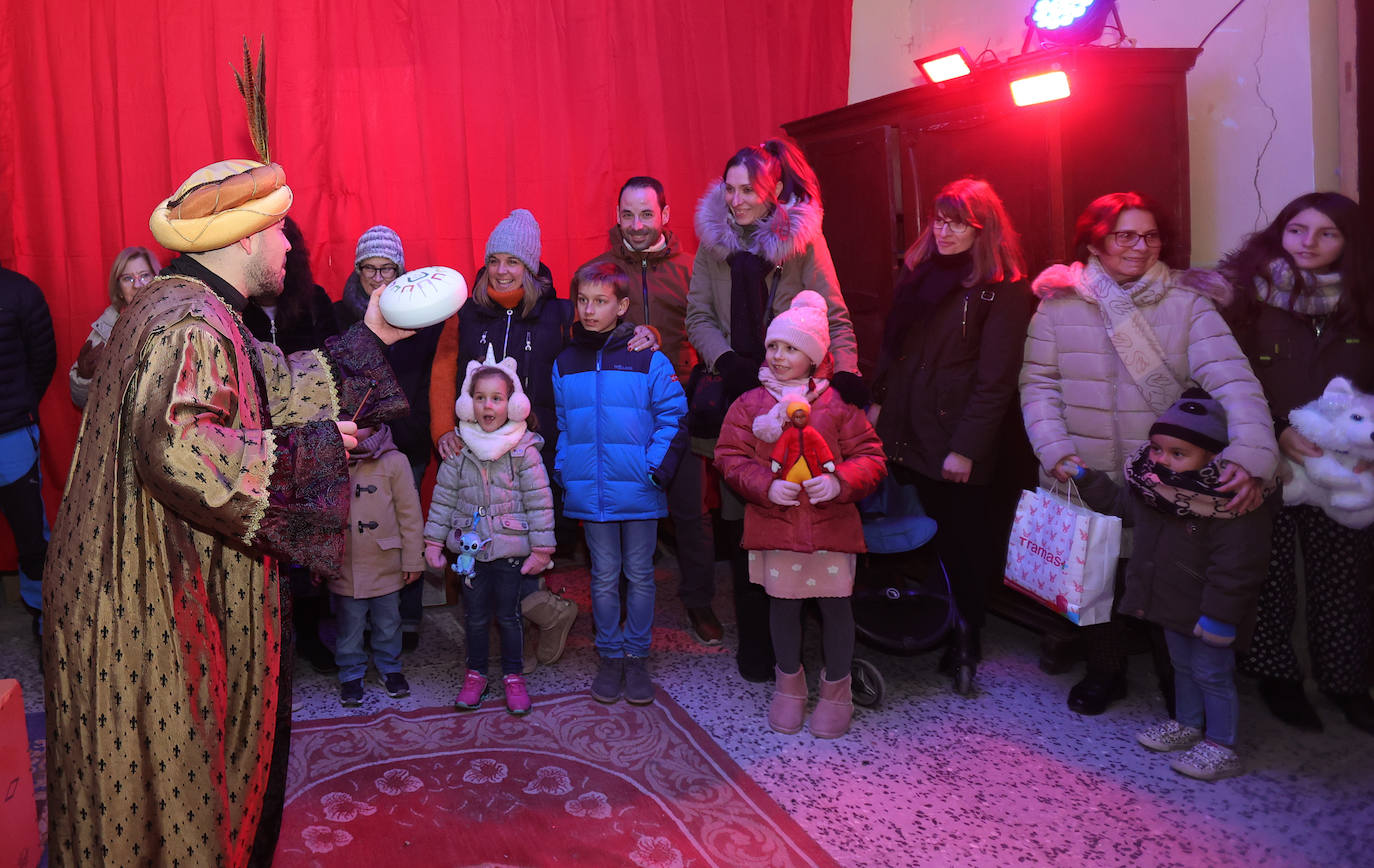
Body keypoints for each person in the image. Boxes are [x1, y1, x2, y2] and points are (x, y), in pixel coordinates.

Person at [41, 147, 412, 866]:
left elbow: (264, 383)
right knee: (160, 795)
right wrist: (314, 452)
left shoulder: (190, 304)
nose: (286, 245)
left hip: (138, 584)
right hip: (140, 608)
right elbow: (179, 450)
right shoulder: (189, 323)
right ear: (244, 237)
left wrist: (369, 342)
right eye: (279, 231)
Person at [1019, 191, 1278, 717]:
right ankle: (1105, 670)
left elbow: (1234, 383)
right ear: (1095, 240)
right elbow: (1039, 385)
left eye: (1150, 235)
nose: (1140, 246)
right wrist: (1054, 449)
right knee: (1095, 582)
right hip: (1081, 468)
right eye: (1125, 235)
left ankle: (1177, 687)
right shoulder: (1059, 304)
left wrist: (1251, 454)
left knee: (1171, 578)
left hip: (1165, 475)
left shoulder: (1187, 304)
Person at [687, 137, 866, 683]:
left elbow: (834, 314)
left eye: (749, 191)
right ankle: (759, 646)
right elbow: (698, 316)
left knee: (802, 513)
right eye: (730, 189)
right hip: (740, 399)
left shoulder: (804, 244)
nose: (736, 200)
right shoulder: (712, 243)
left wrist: (851, 371)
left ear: (772, 194)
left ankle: (809, 640)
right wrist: (728, 362)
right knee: (745, 519)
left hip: (797, 401)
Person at [868, 178, 1032, 695]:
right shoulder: (919, 275)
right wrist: (875, 403)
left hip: (956, 436)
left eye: (958, 221)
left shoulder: (1001, 289)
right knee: (915, 525)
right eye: (939, 219)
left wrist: (966, 448)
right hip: (905, 424)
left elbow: (995, 381)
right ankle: (919, 615)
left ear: (983, 228)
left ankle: (967, 634)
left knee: (964, 540)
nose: (944, 230)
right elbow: (892, 349)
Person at [1220, 191, 1374, 734]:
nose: (1308, 243)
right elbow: (1226, 378)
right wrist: (1277, 432)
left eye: (1327, 233)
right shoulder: (1246, 297)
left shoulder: (1363, 300)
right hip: (1271, 456)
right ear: (1279, 233)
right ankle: (1275, 677)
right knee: (1270, 573)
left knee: (1346, 579)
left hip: (1350, 467)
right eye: (1297, 229)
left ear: (1348, 243)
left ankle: (1347, 683)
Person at [1068, 389, 1279, 780]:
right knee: (1183, 667)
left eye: (1178, 453)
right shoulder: (1155, 489)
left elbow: (1239, 567)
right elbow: (1120, 507)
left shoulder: (1232, 505)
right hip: (1168, 601)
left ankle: (1221, 745)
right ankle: (1188, 724)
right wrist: (1087, 479)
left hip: (1211, 611)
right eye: (1158, 449)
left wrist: (1220, 617)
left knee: (1213, 674)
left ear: (1215, 457)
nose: (1162, 460)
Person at [713, 291, 886, 738]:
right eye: (773, 346)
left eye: (790, 348)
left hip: (832, 528)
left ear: (814, 357)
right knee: (783, 609)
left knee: (835, 610)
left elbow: (870, 455)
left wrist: (840, 482)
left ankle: (837, 689)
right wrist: (765, 486)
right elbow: (730, 456)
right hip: (776, 526)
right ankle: (789, 685)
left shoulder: (838, 405)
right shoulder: (751, 405)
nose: (778, 355)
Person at [429, 209, 581, 670]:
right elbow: (442, 372)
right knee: (479, 536)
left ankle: (538, 620)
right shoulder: (466, 313)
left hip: (533, 450)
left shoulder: (559, 313)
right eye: (494, 259)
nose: (500, 269)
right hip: (474, 449)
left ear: (530, 266)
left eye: (512, 260)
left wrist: (643, 335)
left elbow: (591, 352)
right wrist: (441, 431)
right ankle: (524, 625)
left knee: (523, 536)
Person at [576, 176, 721, 646]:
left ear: (665, 214)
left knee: (691, 513)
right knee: (616, 513)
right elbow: (579, 338)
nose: (635, 225)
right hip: (616, 417)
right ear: (616, 216)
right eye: (626, 215)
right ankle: (615, 605)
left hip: (677, 415)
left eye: (645, 214)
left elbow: (709, 333)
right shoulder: (597, 270)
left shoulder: (693, 269)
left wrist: (676, 358)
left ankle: (700, 602)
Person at [553, 261, 687, 705]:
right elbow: (563, 425)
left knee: (641, 575)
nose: (589, 310)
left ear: (622, 306)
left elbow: (674, 415)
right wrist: (564, 469)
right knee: (604, 577)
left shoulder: (648, 357)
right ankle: (610, 655)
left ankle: (637, 656)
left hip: (640, 489)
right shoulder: (566, 361)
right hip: (591, 493)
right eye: (582, 301)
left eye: (600, 301)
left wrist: (652, 468)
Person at [426, 351, 555, 715]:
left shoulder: (524, 449)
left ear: (512, 405)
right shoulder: (458, 448)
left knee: (510, 616)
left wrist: (542, 549)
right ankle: (476, 673)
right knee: (476, 617)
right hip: (471, 552)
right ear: (468, 404)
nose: (488, 405)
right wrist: (434, 542)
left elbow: (540, 500)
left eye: (497, 398)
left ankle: (514, 676)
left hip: (511, 548)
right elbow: (443, 497)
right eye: (480, 397)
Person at [337, 224, 442, 651]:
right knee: (357, 528)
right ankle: (355, 619)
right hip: (356, 444)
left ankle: (407, 619)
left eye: (388, 269)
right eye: (370, 269)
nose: (379, 279)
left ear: (401, 270)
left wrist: (415, 429)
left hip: (407, 440)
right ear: (357, 270)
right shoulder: (338, 314)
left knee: (405, 525)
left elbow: (431, 383)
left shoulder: (426, 317)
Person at [243, 216, 341, 674]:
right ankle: (270, 645)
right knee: (266, 543)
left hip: (310, 442)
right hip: (259, 445)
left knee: (307, 540)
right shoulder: (233, 309)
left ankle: (310, 636)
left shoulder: (314, 302)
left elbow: (331, 367)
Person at [329, 421, 423, 707]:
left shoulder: (396, 462)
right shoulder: (329, 461)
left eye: (363, 424)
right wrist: (320, 562)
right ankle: (350, 673)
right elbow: (322, 515)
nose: (355, 429)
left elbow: (410, 515)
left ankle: (390, 668)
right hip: (346, 563)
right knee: (349, 625)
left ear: (378, 424)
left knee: (388, 623)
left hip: (385, 561)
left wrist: (413, 558)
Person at [1, 264, 55, 640]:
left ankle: (43, 619)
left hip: (12, 435)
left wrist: (19, 408)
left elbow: (43, 359)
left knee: (31, 537)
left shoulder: (20, 291)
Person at [69, 246, 162, 407]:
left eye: (145, 275)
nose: (138, 285)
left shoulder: (175, 320)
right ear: (119, 289)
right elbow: (81, 401)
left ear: (157, 278)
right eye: (128, 278)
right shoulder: (106, 327)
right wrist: (84, 378)